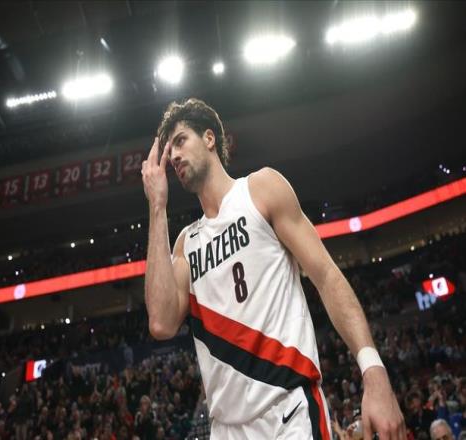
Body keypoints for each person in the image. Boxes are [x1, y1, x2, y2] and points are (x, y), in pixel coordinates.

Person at [142, 98, 405, 439]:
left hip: (288, 411)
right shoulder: (185, 244)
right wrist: (157, 207)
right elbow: (161, 323)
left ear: (209, 138)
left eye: (180, 141)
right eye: (169, 150)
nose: (174, 156)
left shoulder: (261, 189)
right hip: (226, 430)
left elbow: (327, 277)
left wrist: (373, 371)